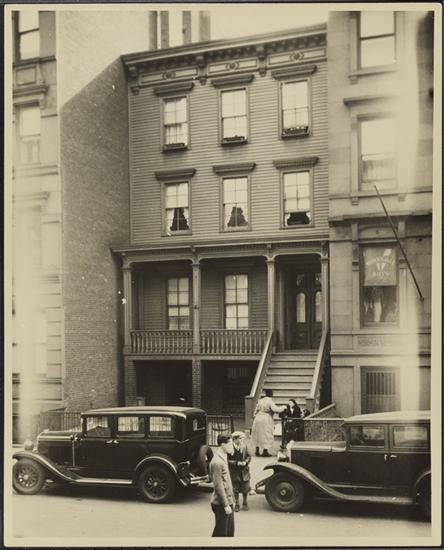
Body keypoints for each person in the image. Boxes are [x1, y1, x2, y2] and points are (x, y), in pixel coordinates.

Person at [209, 433, 235, 537]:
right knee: (221, 535)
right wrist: (225, 505)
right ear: (223, 445)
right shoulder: (217, 462)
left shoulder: (224, 456)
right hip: (221, 504)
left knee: (229, 532)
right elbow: (218, 486)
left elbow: (227, 480)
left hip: (228, 501)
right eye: (230, 444)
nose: (232, 446)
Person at [251, 388, 285, 457]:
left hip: (258, 417)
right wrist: (283, 407)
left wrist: (255, 415)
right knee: (266, 434)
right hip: (266, 418)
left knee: (257, 434)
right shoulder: (270, 401)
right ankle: (265, 451)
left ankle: (257, 450)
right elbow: (276, 409)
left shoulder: (260, 401)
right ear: (271, 395)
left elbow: (256, 410)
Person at [227, 431, 251, 512]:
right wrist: (236, 463)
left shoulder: (244, 446)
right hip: (234, 471)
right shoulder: (229, 448)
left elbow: (249, 456)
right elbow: (227, 460)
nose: (242, 440)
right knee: (235, 488)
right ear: (235, 439)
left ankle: (245, 501)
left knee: (246, 487)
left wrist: (246, 462)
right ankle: (237, 503)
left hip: (244, 470)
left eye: (242, 438)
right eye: (240, 438)